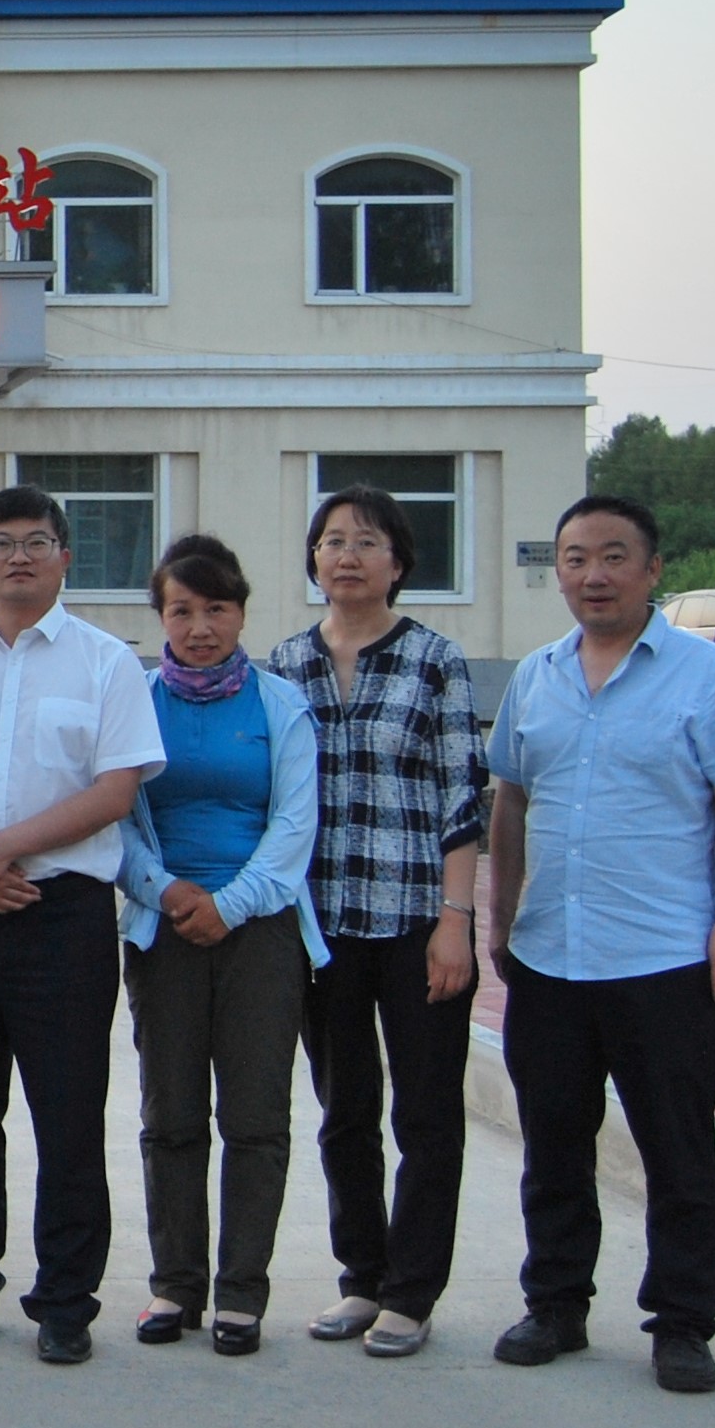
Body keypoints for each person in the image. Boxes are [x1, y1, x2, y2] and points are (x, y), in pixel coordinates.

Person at [485, 492, 715, 1395]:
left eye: (614, 557)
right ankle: (556, 1304)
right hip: (551, 956)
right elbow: (510, 800)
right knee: (553, 1149)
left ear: (653, 570)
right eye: (576, 558)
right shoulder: (537, 675)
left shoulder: (706, 674)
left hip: (668, 958)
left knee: (677, 1154)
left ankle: (681, 1324)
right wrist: (501, 916)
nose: (594, 575)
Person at [0, 484, 168, 1365]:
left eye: (37, 542)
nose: (19, 557)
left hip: (61, 916)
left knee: (67, 1115)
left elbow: (115, 791)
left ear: (64, 558)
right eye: (2, 543)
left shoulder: (106, 663)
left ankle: (65, 1301)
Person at [263, 486, 487, 1358]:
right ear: (313, 560)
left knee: (426, 1115)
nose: (347, 555)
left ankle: (412, 1291)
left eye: (366, 541)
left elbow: (461, 796)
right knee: (343, 1110)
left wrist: (456, 919)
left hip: (415, 921)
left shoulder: (435, 660)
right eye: (331, 541)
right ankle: (362, 1277)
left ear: (399, 561)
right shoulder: (285, 664)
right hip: (322, 926)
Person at [113, 535, 329, 1357]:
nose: (200, 627)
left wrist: (229, 905)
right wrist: (166, 891)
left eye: (217, 609)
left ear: (241, 613)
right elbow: (116, 818)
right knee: (170, 1114)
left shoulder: (281, 706)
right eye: (182, 611)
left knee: (255, 1117)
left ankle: (241, 1294)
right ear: (160, 617)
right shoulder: (134, 703)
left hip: (260, 932)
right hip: (163, 927)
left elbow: (294, 826)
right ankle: (175, 1286)